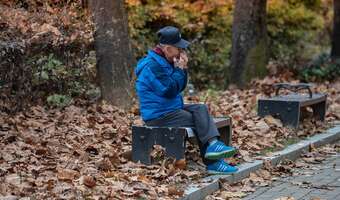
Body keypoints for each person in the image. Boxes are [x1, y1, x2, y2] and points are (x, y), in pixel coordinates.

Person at [134, 26, 238, 174]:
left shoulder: (166, 61)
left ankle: (213, 144)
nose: (182, 51)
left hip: (170, 108)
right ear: (168, 49)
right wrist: (179, 70)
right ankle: (213, 163)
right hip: (158, 116)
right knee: (196, 120)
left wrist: (182, 69)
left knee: (200, 109)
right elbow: (169, 90)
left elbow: (179, 87)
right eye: (179, 48)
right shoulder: (152, 66)